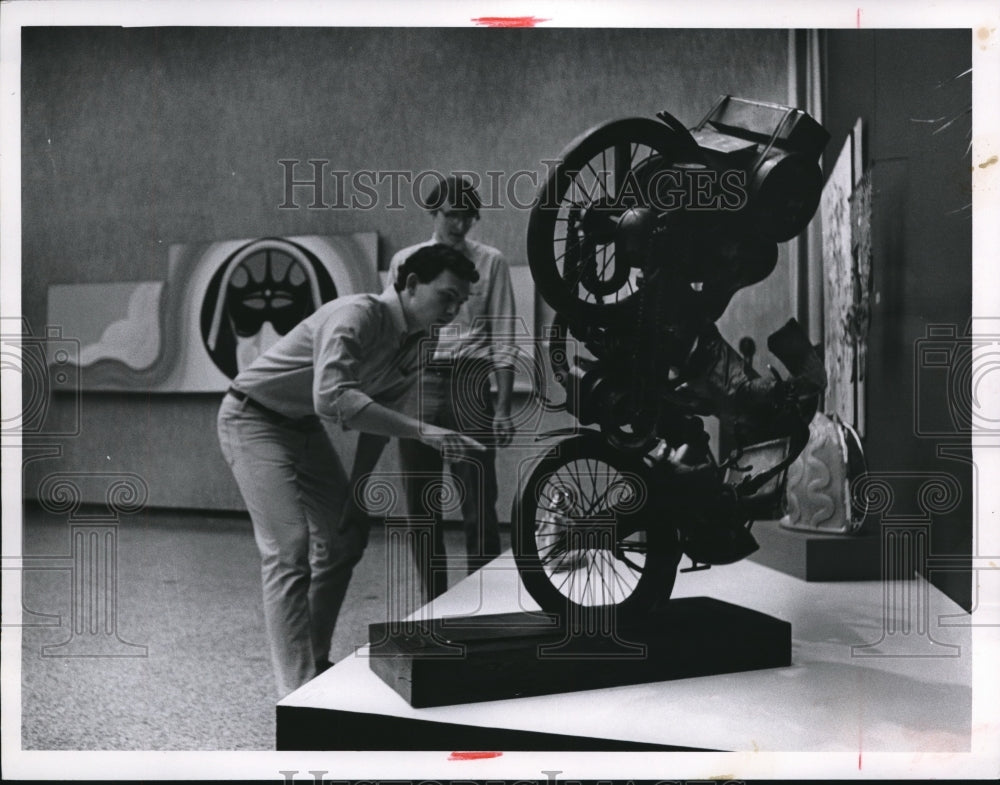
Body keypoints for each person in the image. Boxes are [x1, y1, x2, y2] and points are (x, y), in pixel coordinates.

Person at [217, 244, 484, 698]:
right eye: (446, 297)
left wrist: (356, 494)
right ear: (412, 285)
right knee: (290, 550)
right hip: (252, 418)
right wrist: (424, 431)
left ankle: (315, 659)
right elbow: (334, 400)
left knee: (344, 537)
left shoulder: (424, 340)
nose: (454, 310)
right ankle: (298, 692)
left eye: (461, 301)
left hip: (299, 426)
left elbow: (382, 414)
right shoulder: (356, 316)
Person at [387, 174, 516, 601]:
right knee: (420, 506)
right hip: (419, 382)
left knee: (479, 503)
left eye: (467, 216)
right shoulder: (407, 260)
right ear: (433, 213)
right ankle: (433, 604)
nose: (459, 225)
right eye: (451, 215)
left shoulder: (490, 262)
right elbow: (393, 332)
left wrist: (501, 407)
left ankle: (483, 607)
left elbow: (503, 335)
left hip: (470, 383)